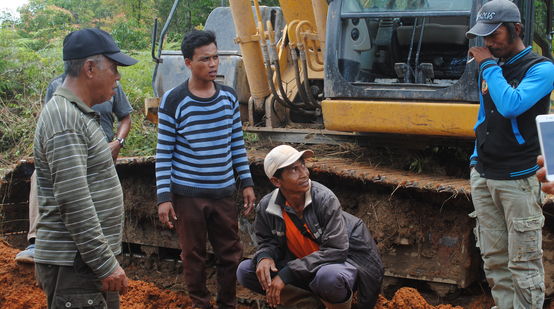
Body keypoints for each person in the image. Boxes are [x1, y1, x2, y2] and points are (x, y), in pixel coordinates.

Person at [33, 28, 137, 308]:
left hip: (82, 263)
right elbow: (74, 201)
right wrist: (105, 263)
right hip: (75, 266)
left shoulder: (77, 115)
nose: (118, 77)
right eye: (114, 68)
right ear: (90, 68)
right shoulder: (66, 120)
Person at [155, 29, 256, 309]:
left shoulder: (228, 98)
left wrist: (246, 182)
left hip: (223, 192)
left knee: (230, 253)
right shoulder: (174, 101)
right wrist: (164, 197)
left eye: (215, 58)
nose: (212, 64)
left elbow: (237, 143)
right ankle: (200, 304)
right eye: (204, 59)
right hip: (188, 195)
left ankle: (227, 303)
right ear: (188, 62)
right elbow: (164, 153)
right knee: (193, 256)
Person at [466, 0, 554, 308]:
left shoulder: (541, 68)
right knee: (494, 261)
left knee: (524, 265)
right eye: (484, 36)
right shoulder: (494, 66)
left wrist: (488, 66)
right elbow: (484, 116)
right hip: (485, 176)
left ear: (516, 29)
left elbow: (511, 105)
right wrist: (476, 160)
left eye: (495, 34)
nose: (487, 42)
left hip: (518, 180)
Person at [237, 145, 384, 309]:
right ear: (276, 181)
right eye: (294, 169)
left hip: (339, 265)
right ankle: (310, 305)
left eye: (302, 165)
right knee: (245, 271)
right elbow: (266, 241)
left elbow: (336, 251)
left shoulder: (324, 199)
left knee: (328, 278)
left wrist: (287, 274)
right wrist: (265, 256)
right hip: (303, 267)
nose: (304, 173)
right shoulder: (267, 207)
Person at [15, 73, 133, 264]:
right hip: (69, 149)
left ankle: (104, 249)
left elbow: (125, 118)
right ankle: (37, 242)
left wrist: (118, 142)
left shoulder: (112, 86)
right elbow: (50, 120)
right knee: (40, 176)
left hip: (100, 153)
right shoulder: (56, 86)